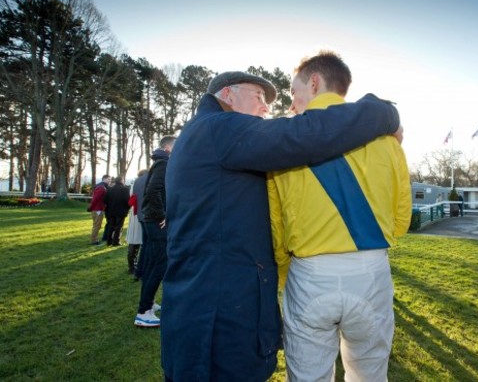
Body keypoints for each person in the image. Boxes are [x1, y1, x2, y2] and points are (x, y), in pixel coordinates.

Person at [161, 70, 400, 381]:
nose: (265, 108)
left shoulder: (208, 133)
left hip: (213, 304)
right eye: (258, 96)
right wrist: (383, 112)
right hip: (216, 319)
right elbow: (301, 135)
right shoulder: (219, 128)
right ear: (228, 95)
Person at [267, 52, 412, 381]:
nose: (292, 104)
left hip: (309, 275)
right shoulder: (388, 142)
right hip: (372, 271)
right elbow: (401, 220)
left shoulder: (283, 141)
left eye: (294, 92)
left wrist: (286, 275)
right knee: (370, 375)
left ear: (314, 82)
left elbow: (277, 228)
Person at [134, 136, 176, 328]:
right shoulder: (163, 164)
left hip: (151, 220)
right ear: (168, 147)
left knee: (152, 263)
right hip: (156, 222)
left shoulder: (160, 163)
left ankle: (148, 303)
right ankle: (144, 312)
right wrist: (162, 215)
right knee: (160, 264)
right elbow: (153, 191)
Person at [126, 169, 148, 277]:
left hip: (135, 213)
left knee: (133, 241)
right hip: (140, 213)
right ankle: (135, 266)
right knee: (138, 241)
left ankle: (132, 266)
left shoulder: (134, 183)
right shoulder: (142, 182)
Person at [104, 177, 131, 246]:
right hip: (121, 210)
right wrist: (127, 208)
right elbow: (127, 200)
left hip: (111, 210)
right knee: (119, 226)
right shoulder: (125, 189)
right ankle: (116, 241)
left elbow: (105, 200)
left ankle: (109, 240)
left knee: (111, 226)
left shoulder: (110, 189)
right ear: (122, 181)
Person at [87, 175, 111, 245]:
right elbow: (95, 199)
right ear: (104, 179)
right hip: (98, 209)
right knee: (97, 225)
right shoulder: (101, 188)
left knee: (96, 225)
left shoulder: (101, 187)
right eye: (108, 179)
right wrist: (91, 207)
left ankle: (94, 238)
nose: (109, 181)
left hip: (97, 208)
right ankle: (93, 240)